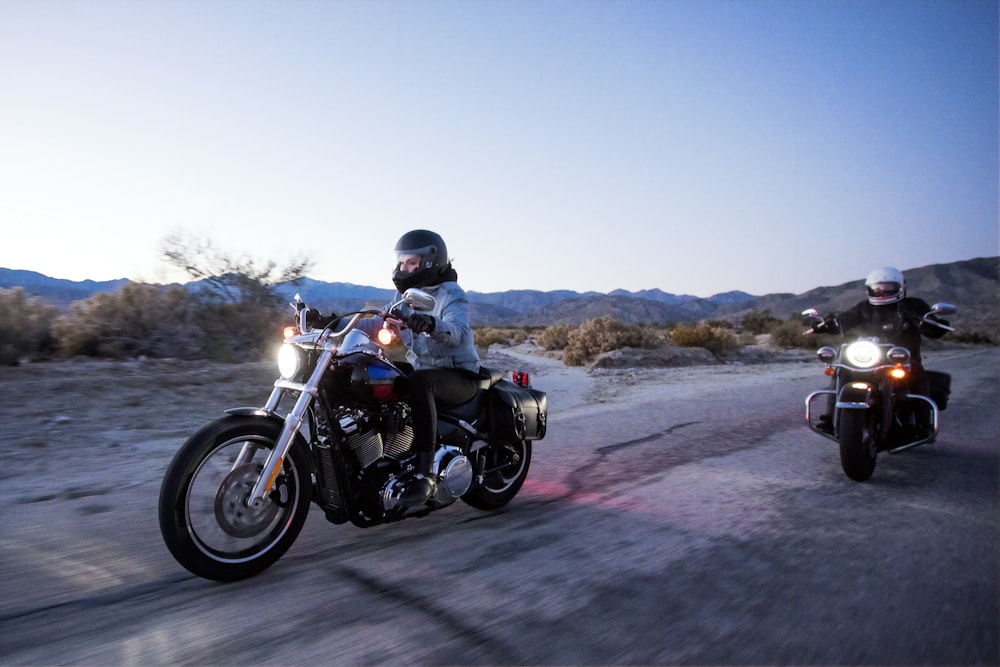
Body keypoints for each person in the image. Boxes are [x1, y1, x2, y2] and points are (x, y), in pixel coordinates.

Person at [359, 229, 481, 505]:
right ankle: (385, 456)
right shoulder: (405, 296)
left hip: (459, 375)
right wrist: (331, 323)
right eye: (401, 262)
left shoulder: (451, 295)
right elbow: (378, 324)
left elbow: (459, 332)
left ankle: (424, 477)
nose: (404, 268)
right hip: (425, 369)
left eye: (410, 262)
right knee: (374, 371)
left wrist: (431, 324)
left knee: (418, 382)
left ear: (429, 261)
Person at [813, 266, 950, 435]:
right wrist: (826, 325)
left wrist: (934, 325)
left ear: (900, 287)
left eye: (888, 287)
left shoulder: (913, 305)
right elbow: (844, 320)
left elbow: (931, 325)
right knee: (841, 368)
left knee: (918, 374)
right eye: (877, 288)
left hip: (902, 358)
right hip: (869, 355)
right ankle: (830, 418)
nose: (882, 292)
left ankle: (923, 424)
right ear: (869, 289)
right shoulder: (863, 307)